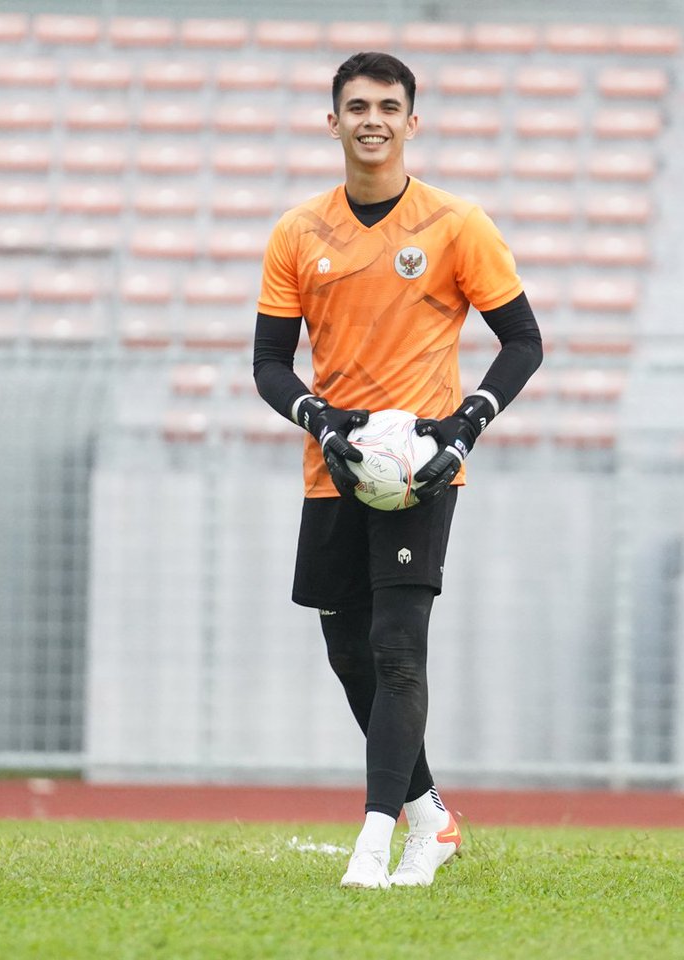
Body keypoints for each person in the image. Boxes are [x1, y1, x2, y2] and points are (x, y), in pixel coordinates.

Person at [253, 52, 543, 890]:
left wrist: (464, 427)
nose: (372, 118)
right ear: (332, 119)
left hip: (421, 474)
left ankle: (380, 843)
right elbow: (271, 364)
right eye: (356, 105)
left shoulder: (457, 224)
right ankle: (431, 813)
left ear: (413, 122)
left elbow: (522, 340)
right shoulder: (297, 232)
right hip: (335, 471)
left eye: (388, 105)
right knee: (346, 650)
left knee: (396, 654)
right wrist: (319, 418)